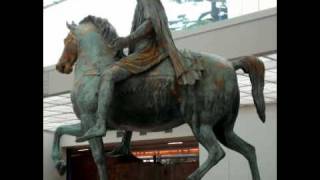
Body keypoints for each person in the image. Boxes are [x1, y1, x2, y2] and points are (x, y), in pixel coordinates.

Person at [76, 0, 196, 142]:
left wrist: (127, 40)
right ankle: (125, 142)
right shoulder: (141, 4)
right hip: (141, 52)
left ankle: (100, 124)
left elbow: (150, 23)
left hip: (147, 53)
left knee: (108, 75)